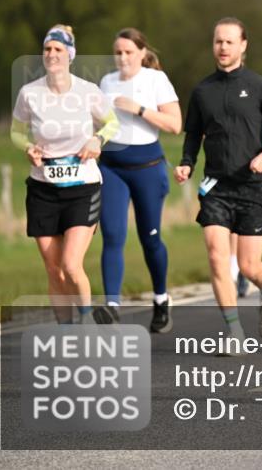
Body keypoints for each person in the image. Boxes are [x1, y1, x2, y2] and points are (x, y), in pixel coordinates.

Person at [174, 17, 262, 347]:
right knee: (216, 255)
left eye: (228, 41)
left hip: (252, 185)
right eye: (217, 41)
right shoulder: (202, 91)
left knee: (250, 266)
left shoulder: (259, 86)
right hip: (216, 187)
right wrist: (186, 163)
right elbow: (193, 133)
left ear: (243, 45)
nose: (222, 47)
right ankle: (233, 332)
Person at [11, 25, 119, 324]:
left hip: (82, 187)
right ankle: (66, 331)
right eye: (47, 49)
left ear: (70, 55)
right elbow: (16, 133)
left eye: (58, 49)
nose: (52, 54)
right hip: (43, 188)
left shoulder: (87, 91)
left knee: (71, 265)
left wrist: (97, 140)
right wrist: (28, 147)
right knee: (53, 268)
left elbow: (111, 123)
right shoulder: (29, 93)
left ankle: (86, 324)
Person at [95, 28, 182, 332]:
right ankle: (112, 307)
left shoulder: (155, 80)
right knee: (113, 235)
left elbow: (175, 124)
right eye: (118, 52)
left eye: (129, 52)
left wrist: (140, 110)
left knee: (150, 238)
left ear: (142, 53)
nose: (122, 58)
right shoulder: (106, 82)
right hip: (111, 168)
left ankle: (160, 299)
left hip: (147, 167)